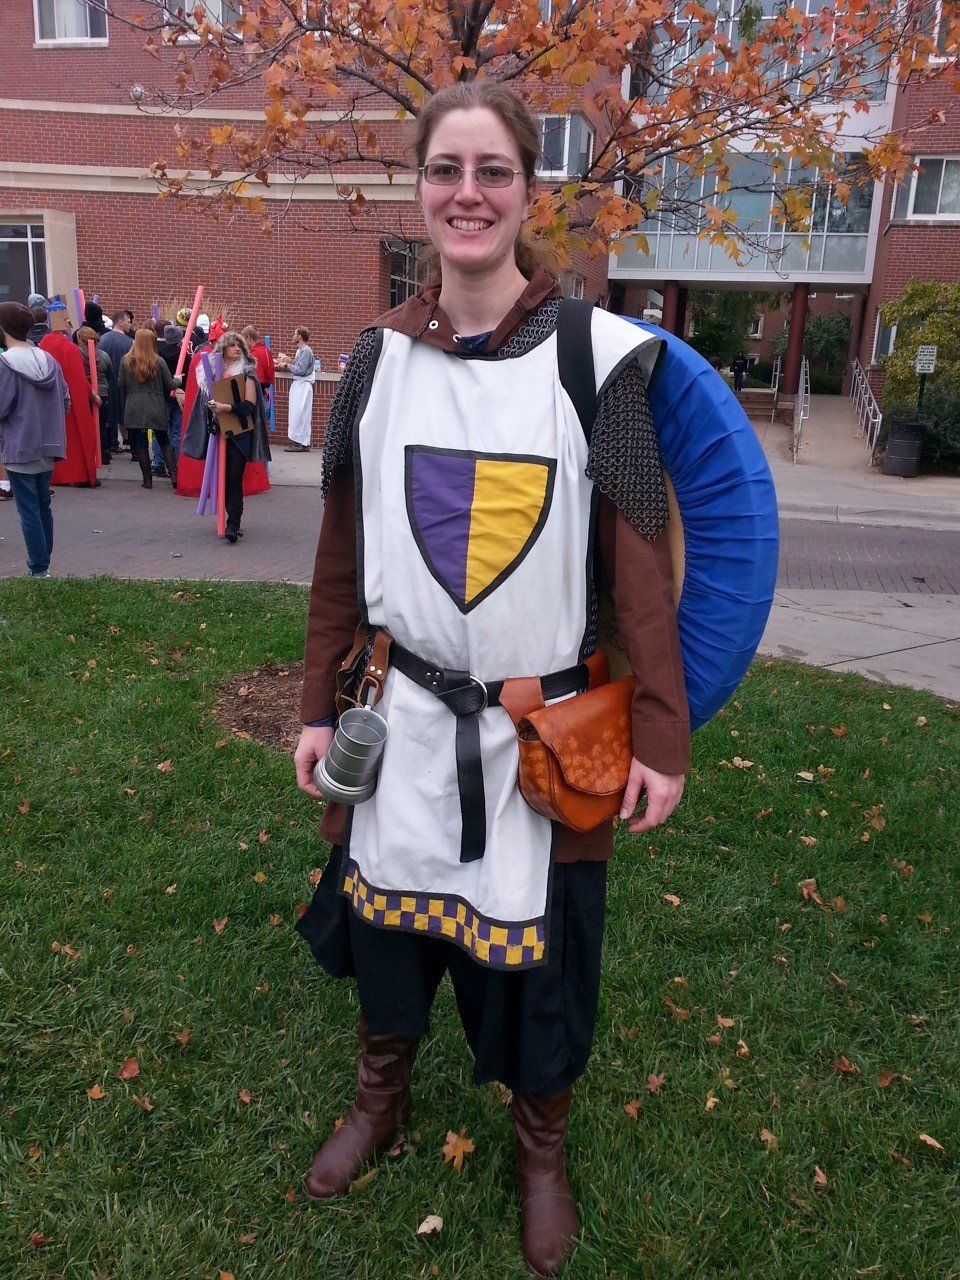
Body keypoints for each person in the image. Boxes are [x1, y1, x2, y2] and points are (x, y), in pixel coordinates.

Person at [292, 83, 690, 1278]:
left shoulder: (596, 361)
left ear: (528, 193)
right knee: (387, 930)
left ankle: (540, 1152)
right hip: (402, 713)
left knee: (548, 961)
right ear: (419, 189)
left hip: (539, 728)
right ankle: (381, 1096)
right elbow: (340, 560)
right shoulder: (373, 363)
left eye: (494, 171)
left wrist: (660, 736)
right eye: (447, 170)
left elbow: (637, 573)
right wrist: (318, 706)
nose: (468, 194)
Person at [179, 330, 271, 541]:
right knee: (221, 479)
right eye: (232, 345)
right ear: (223, 348)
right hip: (218, 433)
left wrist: (225, 407)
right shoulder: (210, 371)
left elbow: (249, 406)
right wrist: (212, 407)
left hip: (240, 434)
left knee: (234, 478)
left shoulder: (247, 372)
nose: (237, 348)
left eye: (239, 345)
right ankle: (226, 519)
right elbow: (203, 402)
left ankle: (233, 524)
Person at [0, 302, 69, 576]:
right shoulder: (48, 359)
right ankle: (43, 565)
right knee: (42, 506)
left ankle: (40, 569)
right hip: (49, 445)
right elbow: (65, 401)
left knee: (28, 510)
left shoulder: (6, 363)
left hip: (19, 445)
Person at [118, 328, 179, 490]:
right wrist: (178, 380)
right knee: (163, 439)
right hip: (155, 404)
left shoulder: (126, 360)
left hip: (134, 405)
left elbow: (121, 383)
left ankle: (147, 480)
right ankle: (174, 475)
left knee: (140, 443)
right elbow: (170, 385)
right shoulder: (158, 361)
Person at [40, 324, 99, 488]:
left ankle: (56, 475)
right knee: (76, 437)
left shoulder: (44, 344)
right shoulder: (70, 348)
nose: (69, 324)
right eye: (66, 320)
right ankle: (79, 474)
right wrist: (91, 393)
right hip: (70, 400)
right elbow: (78, 379)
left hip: (49, 400)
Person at [76, 325, 112, 465]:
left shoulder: (77, 353)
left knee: (86, 425)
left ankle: (88, 453)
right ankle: (104, 454)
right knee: (101, 425)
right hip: (102, 393)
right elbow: (110, 373)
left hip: (84, 393)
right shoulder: (103, 355)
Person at [153, 323, 184, 476]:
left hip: (161, 397)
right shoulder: (184, 356)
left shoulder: (157, 355)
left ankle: (158, 463)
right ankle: (176, 465)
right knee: (177, 433)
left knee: (159, 432)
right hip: (179, 398)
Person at [276, 325, 314, 451]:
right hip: (300, 385)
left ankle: (298, 442)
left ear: (300, 336)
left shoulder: (305, 351)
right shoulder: (301, 351)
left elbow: (301, 370)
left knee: (299, 414)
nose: (293, 336)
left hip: (302, 385)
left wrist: (287, 365)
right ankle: (301, 442)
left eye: (295, 334)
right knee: (299, 413)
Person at [100, 309, 134, 453]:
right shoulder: (130, 342)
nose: (130, 325)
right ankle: (128, 443)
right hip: (125, 384)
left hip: (107, 384)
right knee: (125, 413)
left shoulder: (103, 340)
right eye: (128, 321)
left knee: (109, 416)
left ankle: (110, 445)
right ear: (120, 322)